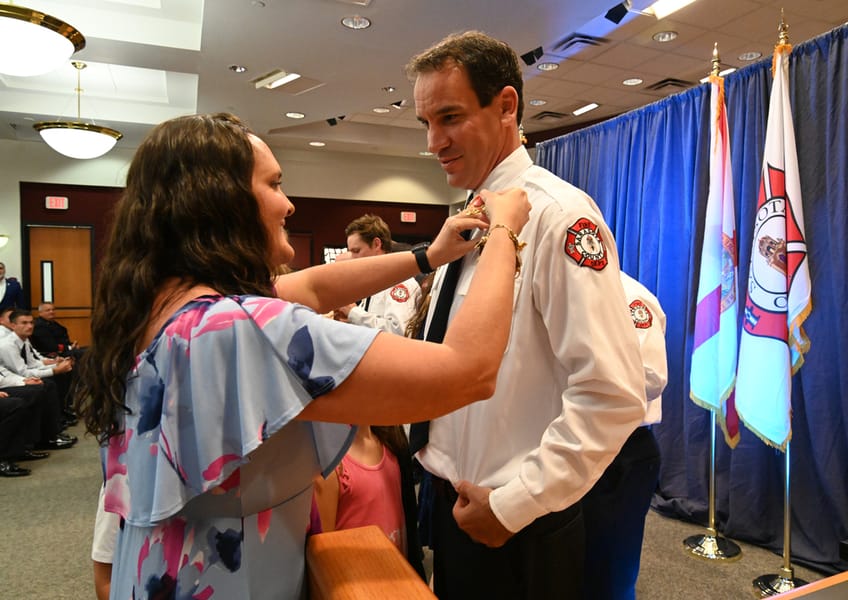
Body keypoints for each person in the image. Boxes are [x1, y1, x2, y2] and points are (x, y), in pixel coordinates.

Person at [73, 112, 530, 599]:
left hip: (156, 571)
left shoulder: (162, 307)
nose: (288, 204)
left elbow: (310, 286)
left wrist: (427, 256)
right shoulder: (245, 330)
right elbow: (468, 372)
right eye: (274, 184)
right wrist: (505, 233)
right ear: (220, 201)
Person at [406, 31, 647, 599]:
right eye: (426, 124)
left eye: (450, 117)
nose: (434, 142)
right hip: (449, 504)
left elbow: (611, 393)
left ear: (507, 106)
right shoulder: (469, 217)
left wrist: (516, 504)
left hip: (514, 524)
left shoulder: (559, 217)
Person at [581, 273, 667, 600]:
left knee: (610, 572)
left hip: (622, 450)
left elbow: (649, 377)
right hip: (577, 442)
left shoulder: (629, 296)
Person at [309, 423, 426, 579]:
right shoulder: (330, 466)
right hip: (357, 584)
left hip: (398, 579)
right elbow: (324, 559)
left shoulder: (392, 443)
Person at [333, 214, 422, 335]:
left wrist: (353, 312)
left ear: (376, 244)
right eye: (351, 252)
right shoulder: (374, 281)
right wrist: (350, 321)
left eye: (356, 251)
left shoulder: (399, 281)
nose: (352, 258)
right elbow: (372, 325)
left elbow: (400, 332)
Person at [0, 309, 76, 420]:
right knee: (46, 385)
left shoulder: (24, 339)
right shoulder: (7, 345)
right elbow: (23, 372)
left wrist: (56, 365)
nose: (30, 326)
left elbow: (33, 363)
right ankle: (54, 425)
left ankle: (62, 412)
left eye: (31, 322)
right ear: (13, 325)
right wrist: (55, 370)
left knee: (63, 372)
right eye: (24, 323)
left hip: (15, 377)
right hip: (13, 379)